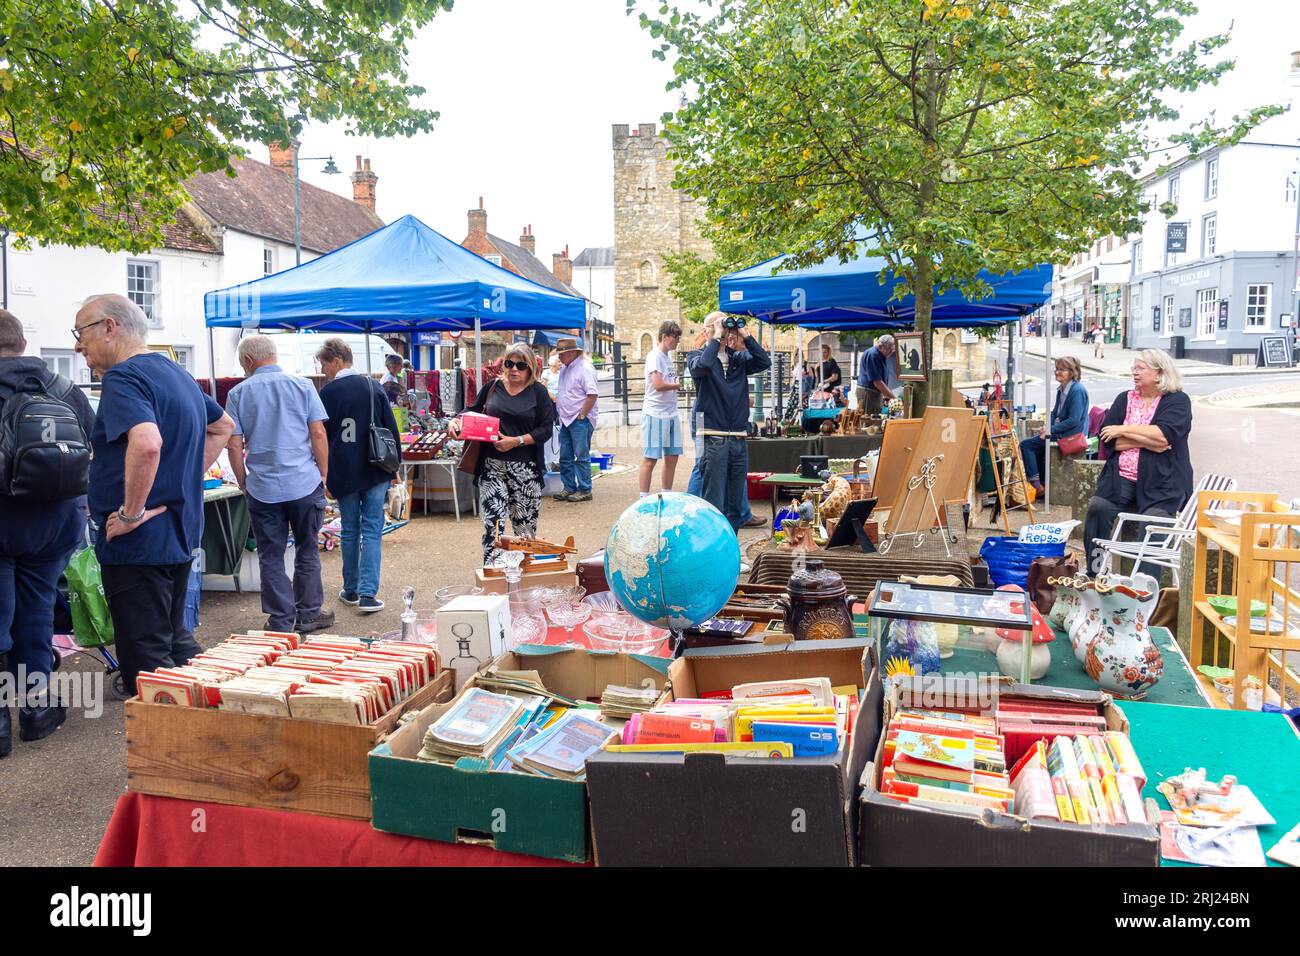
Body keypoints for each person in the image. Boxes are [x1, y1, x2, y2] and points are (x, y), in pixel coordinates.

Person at [75, 294, 234, 694]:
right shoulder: (175, 373)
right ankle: (212, 723)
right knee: (173, 640)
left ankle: (173, 745)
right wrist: (178, 478)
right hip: (175, 533)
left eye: (81, 333)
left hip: (140, 543)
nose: (78, 345)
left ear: (109, 327)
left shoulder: (123, 377)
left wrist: (131, 513)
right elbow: (223, 426)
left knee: (148, 665)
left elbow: (147, 443)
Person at [0, 309, 95, 754]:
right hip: (56, 521)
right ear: (21, 343)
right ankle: (37, 710)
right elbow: (93, 444)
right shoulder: (60, 387)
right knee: (36, 611)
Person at [224, 335, 333, 634]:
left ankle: (281, 620)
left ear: (248, 360)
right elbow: (318, 433)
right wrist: (323, 473)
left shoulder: (238, 393)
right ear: (273, 355)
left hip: (263, 487)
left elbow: (234, 446)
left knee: (270, 556)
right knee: (307, 549)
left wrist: (244, 481)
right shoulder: (303, 386)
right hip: (304, 481)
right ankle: (309, 614)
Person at [1083, 349, 1193, 576]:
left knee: (1154, 524)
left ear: (1159, 373)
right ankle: (1095, 573)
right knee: (1097, 509)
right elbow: (1109, 440)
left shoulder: (1178, 400)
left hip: (1163, 483)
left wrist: (1123, 430)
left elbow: (1165, 435)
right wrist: (1150, 441)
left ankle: (1144, 587)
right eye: (1134, 368)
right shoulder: (1125, 398)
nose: (1134, 372)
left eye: (1141, 368)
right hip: (1121, 477)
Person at [449, 343, 555, 565]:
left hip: (525, 470)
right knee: (492, 525)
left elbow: (546, 429)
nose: (514, 369)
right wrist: (456, 420)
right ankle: (493, 576)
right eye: (509, 363)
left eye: (521, 365)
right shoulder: (492, 387)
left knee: (524, 529)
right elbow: (472, 410)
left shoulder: (538, 392)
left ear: (530, 368)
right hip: (492, 468)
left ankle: (522, 578)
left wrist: (515, 441)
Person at [317, 337, 402, 613]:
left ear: (337, 360)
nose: (323, 370)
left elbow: (322, 436)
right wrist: (395, 467)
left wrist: (324, 474)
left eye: (324, 363)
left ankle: (350, 589)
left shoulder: (328, 393)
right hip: (375, 467)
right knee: (372, 529)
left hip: (343, 471)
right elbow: (390, 428)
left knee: (350, 530)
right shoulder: (372, 386)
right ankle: (368, 594)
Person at [687, 312, 770, 529]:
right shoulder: (696, 357)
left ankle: (731, 548)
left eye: (724, 327)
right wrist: (715, 337)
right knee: (713, 500)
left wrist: (745, 334)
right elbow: (704, 366)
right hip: (713, 436)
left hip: (738, 438)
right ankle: (711, 551)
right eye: (716, 327)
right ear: (705, 330)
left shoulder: (738, 359)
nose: (723, 332)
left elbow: (764, 361)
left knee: (735, 503)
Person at [1019, 357, 1089, 498]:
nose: (1057, 372)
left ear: (1072, 372)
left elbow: (1074, 420)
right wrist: (1047, 426)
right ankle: (1042, 484)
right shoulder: (1062, 389)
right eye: (1057, 369)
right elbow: (1055, 412)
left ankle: (1036, 485)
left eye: (1062, 369)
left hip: (1071, 436)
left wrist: (1051, 430)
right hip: (1060, 431)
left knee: (1026, 445)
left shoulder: (1077, 390)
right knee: (1037, 447)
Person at [553, 337, 599, 503]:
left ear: (571, 353)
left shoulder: (585, 368)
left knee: (580, 455)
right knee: (566, 455)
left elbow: (592, 394)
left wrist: (582, 415)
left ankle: (584, 489)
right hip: (568, 418)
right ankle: (570, 487)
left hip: (577, 418)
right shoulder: (567, 368)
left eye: (562, 354)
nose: (559, 357)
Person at [640, 321, 683, 496]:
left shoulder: (668, 356)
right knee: (650, 459)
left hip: (671, 412)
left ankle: (666, 492)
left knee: (672, 456)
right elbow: (658, 385)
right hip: (655, 412)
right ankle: (643, 496)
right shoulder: (654, 356)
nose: (677, 341)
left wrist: (674, 384)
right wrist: (676, 385)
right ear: (665, 337)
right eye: (675, 338)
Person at [855, 334, 896, 414]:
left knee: (874, 419)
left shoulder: (878, 354)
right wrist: (893, 397)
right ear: (881, 346)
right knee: (870, 421)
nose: (891, 352)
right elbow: (877, 382)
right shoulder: (873, 355)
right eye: (890, 350)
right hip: (868, 392)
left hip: (871, 392)